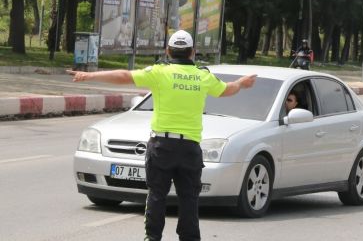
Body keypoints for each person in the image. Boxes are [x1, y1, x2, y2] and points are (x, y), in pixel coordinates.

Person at [68, 30, 257, 241]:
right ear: (192, 52)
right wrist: (241, 83)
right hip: (190, 149)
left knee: (157, 194)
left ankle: (152, 237)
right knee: (189, 198)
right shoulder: (203, 76)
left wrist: (89, 75)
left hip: (162, 147)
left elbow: (124, 76)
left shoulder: (160, 73)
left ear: (168, 51)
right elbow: (227, 90)